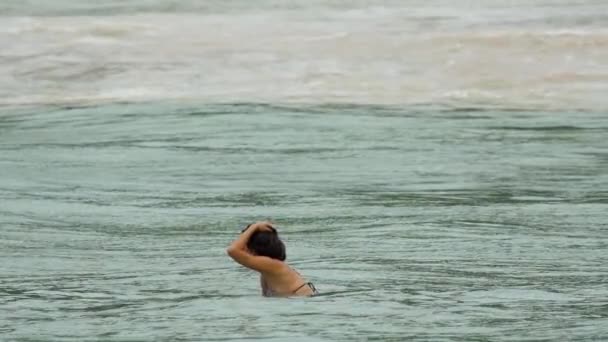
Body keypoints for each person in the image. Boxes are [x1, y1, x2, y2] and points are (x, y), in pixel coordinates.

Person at [227, 221, 317, 297]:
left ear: (255, 247)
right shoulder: (267, 269)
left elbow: (232, 250)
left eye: (245, 245)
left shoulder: (270, 264)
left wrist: (255, 226)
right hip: (298, 298)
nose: (243, 249)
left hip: (300, 299)